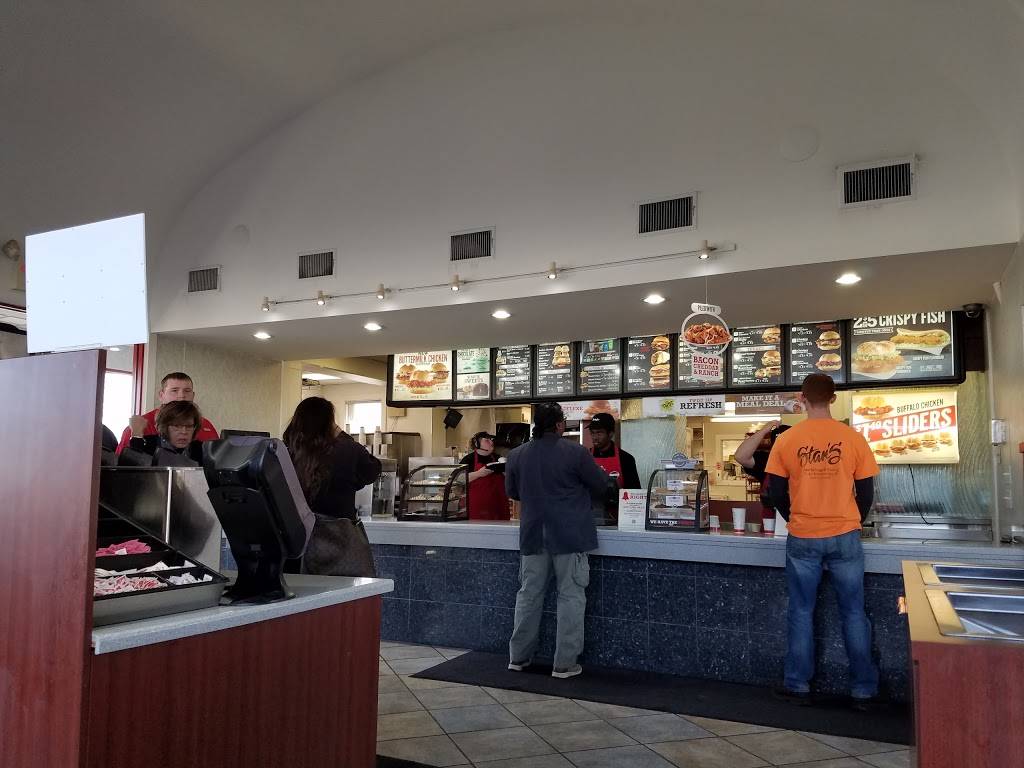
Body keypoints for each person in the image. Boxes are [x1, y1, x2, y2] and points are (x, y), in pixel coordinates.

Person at [765, 373, 880, 709]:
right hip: (845, 536)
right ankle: (863, 690)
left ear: (802, 399)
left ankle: (798, 684)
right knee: (854, 612)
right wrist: (852, 522)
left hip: (803, 535)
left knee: (801, 611)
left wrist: (795, 518)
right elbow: (866, 492)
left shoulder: (787, 439)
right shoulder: (853, 438)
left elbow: (774, 492)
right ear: (833, 398)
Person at [505, 402, 610, 679]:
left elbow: (513, 492)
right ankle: (564, 664)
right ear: (560, 424)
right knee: (570, 596)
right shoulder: (576, 453)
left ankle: (518, 657)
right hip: (570, 535)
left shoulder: (516, 455)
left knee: (528, 595)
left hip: (532, 535)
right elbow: (601, 485)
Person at [282, 397, 382, 520]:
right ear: (329, 423)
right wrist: (342, 435)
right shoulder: (348, 449)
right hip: (338, 529)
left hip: (298, 529)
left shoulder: (285, 452)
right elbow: (373, 470)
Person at [116, 372, 219, 453]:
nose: (181, 396)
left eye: (187, 391)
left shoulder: (206, 425)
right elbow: (123, 467)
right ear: (161, 395)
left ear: (193, 395)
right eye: (174, 390)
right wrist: (137, 437)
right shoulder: (138, 427)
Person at [587, 412, 641, 525]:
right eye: (592, 433)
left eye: (599, 433)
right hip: (590, 520)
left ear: (610, 434)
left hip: (619, 521)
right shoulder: (584, 457)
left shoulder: (626, 458)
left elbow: (635, 494)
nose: (595, 437)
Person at [734, 421, 791, 524]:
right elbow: (740, 456)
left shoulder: (806, 461)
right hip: (771, 524)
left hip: (801, 523)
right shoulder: (766, 460)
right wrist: (764, 431)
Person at [120, 401, 205, 467]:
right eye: (176, 426)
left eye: (189, 426)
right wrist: (136, 437)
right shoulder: (147, 444)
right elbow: (127, 476)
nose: (184, 432)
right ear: (165, 427)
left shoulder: (201, 449)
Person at [460, 431, 510, 520]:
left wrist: (506, 470)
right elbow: (459, 480)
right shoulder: (468, 459)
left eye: (491, 440)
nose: (491, 442)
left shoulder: (498, 458)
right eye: (487, 440)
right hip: (476, 509)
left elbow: (511, 478)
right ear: (477, 444)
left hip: (499, 507)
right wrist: (478, 473)